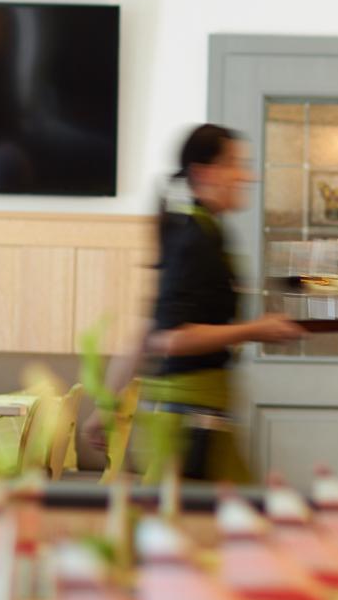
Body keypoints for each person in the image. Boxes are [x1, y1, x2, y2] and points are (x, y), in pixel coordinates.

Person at [84, 124, 304, 479]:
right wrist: (255, 329)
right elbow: (169, 338)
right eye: (235, 164)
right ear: (204, 173)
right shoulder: (196, 240)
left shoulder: (197, 232)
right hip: (190, 427)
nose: (248, 176)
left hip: (194, 420)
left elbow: (147, 330)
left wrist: (105, 406)